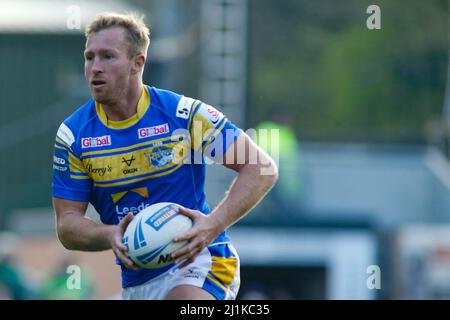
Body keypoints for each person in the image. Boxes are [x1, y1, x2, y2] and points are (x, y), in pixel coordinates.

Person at [52, 12, 278, 300]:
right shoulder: (73, 135)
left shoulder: (183, 114)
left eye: (108, 57)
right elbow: (67, 224)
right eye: (89, 57)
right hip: (135, 283)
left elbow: (261, 167)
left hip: (200, 264)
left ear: (138, 63)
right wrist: (110, 234)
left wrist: (213, 224)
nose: (95, 67)